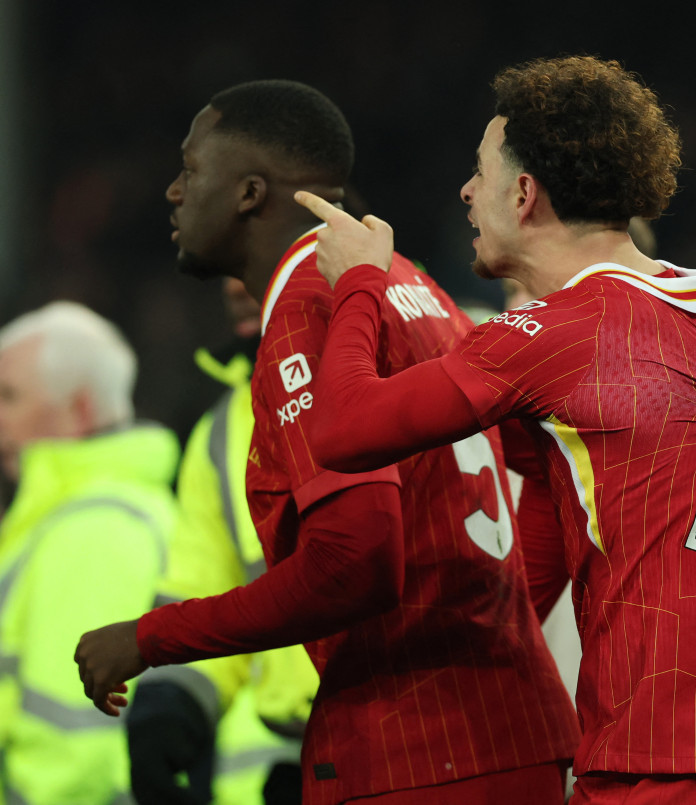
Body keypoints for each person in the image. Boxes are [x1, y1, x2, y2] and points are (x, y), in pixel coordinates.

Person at [295, 55, 696, 803]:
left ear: (525, 194)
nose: (467, 191)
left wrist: (360, 283)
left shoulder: (550, 332)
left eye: (480, 172)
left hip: (659, 765)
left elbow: (342, 432)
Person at [74, 79, 579, 805]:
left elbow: (354, 562)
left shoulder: (317, 301)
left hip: (418, 755)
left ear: (250, 192)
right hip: (504, 735)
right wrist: (489, 618)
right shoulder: (412, 285)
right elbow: (544, 465)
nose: (173, 193)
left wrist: (149, 637)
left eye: (189, 169)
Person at [128, 276, 317, 805]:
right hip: (298, 759)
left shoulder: (413, 364)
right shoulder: (222, 430)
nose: (234, 287)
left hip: (416, 754)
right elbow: (202, 587)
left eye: (256, 260)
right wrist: (170, 704)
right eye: (228, 269)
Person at [0, 301, 178, 804]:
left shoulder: (95, 528)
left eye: (9, 396)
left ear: (78, 410)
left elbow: (76, 754)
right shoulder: (101, 510)